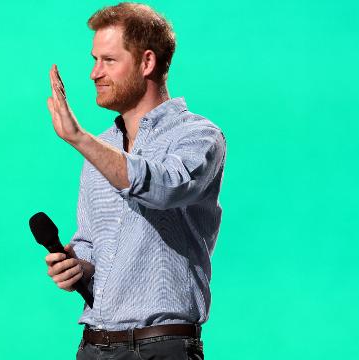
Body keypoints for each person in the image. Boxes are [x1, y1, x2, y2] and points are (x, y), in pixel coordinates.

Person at [45, 3, 226, 359]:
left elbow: (165, 187)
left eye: (108, 60)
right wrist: (77, 268)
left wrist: (80, 139)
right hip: (95, 346)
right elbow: (92, 246)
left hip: (163, 347)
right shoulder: (101, 148)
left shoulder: (199, 136)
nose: (94, 73)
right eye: (94, 60)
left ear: (147, 63)